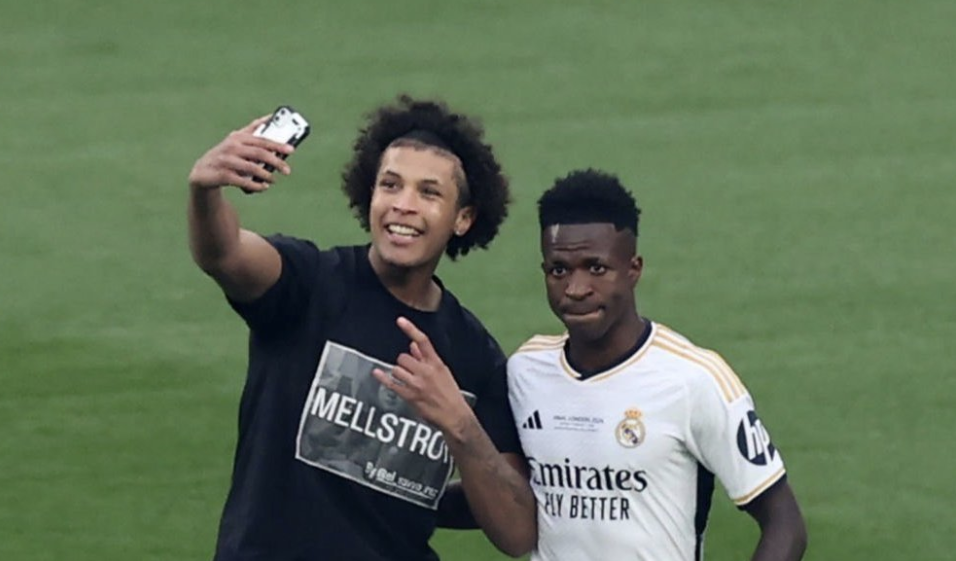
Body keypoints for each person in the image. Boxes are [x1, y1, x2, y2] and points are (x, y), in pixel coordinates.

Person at [187, 95, 535, 561]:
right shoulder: (307, 285)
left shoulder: (473, 355)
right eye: (390, 185)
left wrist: (459, 424)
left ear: (463, 218)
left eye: (429, 193)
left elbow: (517, 532)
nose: (403, 206)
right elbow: (224, 253)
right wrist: (205, 190)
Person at [507, 169, 808, 560]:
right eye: (558, 270)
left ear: (634, 269)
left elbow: (784, 523)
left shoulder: (694, 379)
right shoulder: (526, 371)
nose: (576, 289)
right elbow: (507, 495)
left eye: (596, 268)